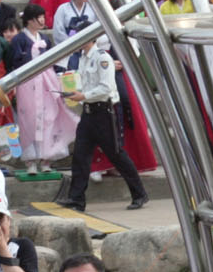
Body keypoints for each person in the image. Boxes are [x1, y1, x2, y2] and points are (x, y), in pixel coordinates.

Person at [55, 34, 146, 212]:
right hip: (88, 112)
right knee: (80, 155)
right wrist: (75, 93)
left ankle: (139, 193)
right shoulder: (82, 59)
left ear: (91, 39)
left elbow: (106, 88)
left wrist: (84, 95)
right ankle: (76, 198)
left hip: (104, 112)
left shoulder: (103, 58)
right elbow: (86, 85)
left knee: (116, 154)